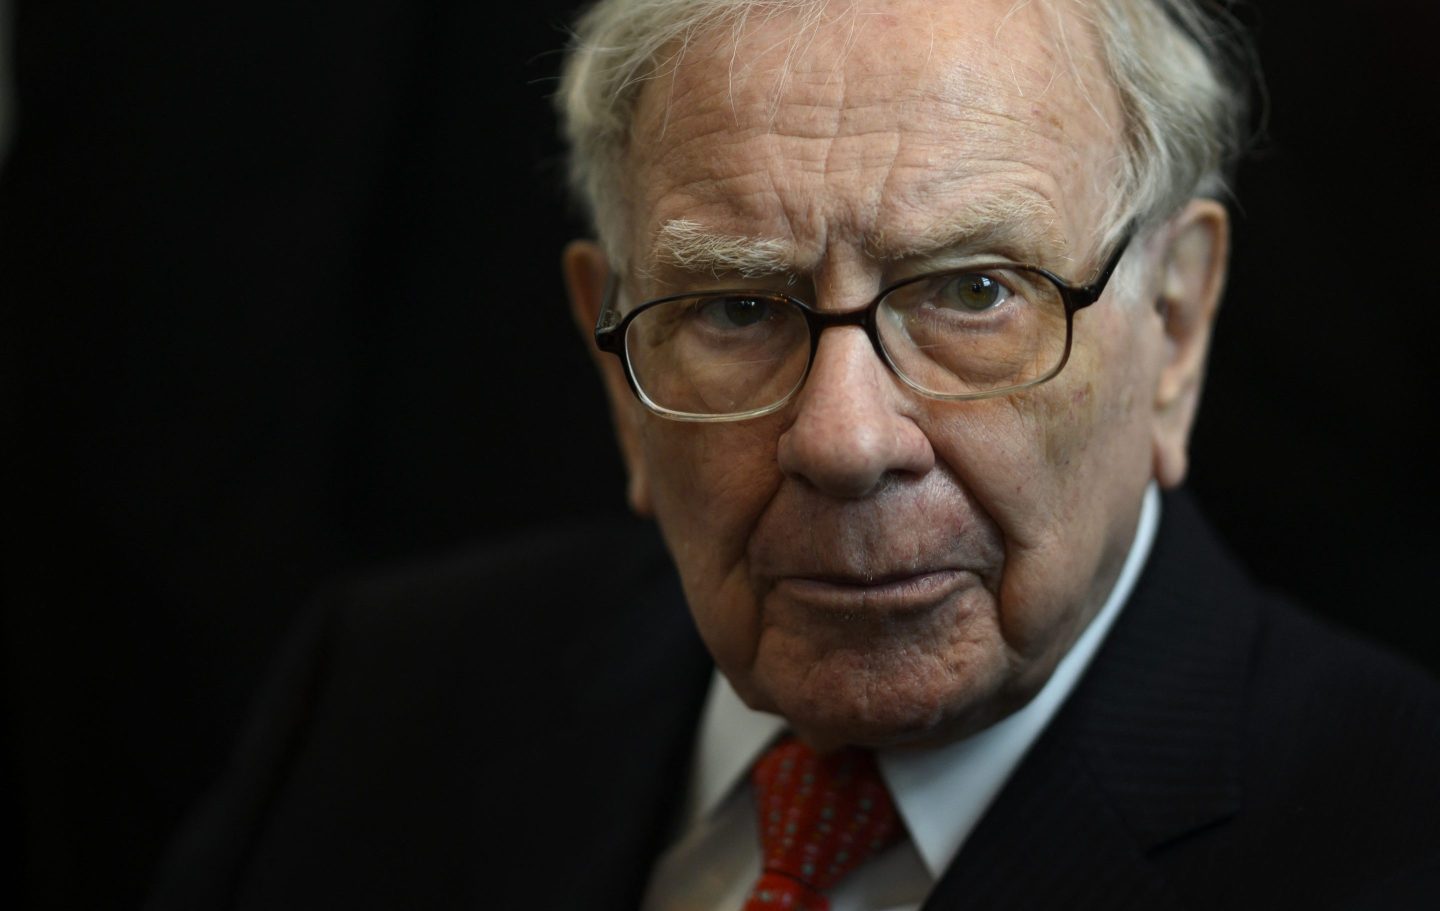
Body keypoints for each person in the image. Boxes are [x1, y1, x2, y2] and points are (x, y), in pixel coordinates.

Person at [149, 0, 1440, 908]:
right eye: (734, 309)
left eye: (973, 291)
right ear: (613, 359)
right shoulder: (381, 702)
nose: (844, 439)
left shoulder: (1395, 837)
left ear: (1175, 327)